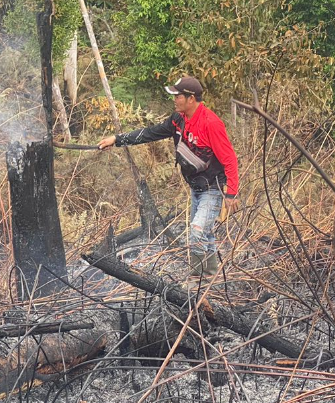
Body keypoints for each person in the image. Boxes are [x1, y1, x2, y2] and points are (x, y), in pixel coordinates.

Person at [98, 77, 239, 280]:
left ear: (191, 99)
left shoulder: (211, 123)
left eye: (178, 95)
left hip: (212, 188)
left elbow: (230, 160)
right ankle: (210, 279)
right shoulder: (178, 119)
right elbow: (151, 133)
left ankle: (197, 280)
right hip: (195, 187)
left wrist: (231, 193)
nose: (174, 99)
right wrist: (117, 140)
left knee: (198, 232)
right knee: (205, 234)